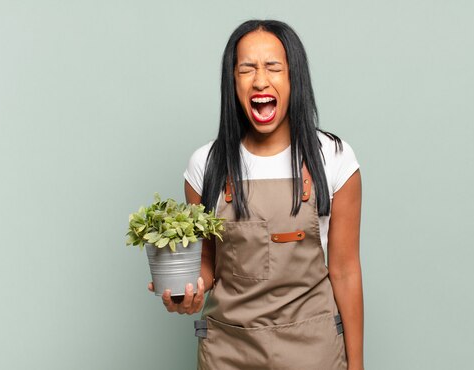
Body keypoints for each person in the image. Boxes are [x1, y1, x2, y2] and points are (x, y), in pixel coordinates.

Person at [148, 19, 364, 370]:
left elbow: (345, 271)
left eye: (273, 67)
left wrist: (357, 366)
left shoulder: (334, 159)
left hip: (313, 352)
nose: (260, 80)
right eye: (246, 69)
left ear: (294, 77)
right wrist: (187, 291)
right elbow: (208, 262)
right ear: (232, 82)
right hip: (227, 353)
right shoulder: (206, 164)